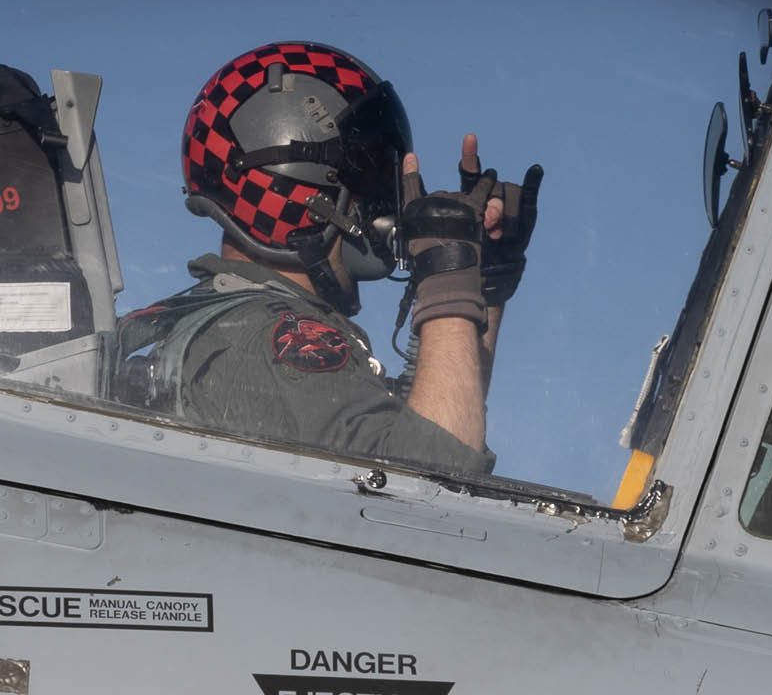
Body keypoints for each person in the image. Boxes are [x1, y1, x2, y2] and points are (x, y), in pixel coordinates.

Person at [113, 42, 541, 474]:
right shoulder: (267, 339)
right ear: (305, 194)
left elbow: (424, 424)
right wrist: (448, 267)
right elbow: (436, 482)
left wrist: (482, 284)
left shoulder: (225, 325)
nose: (390, 206)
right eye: (371, 181)